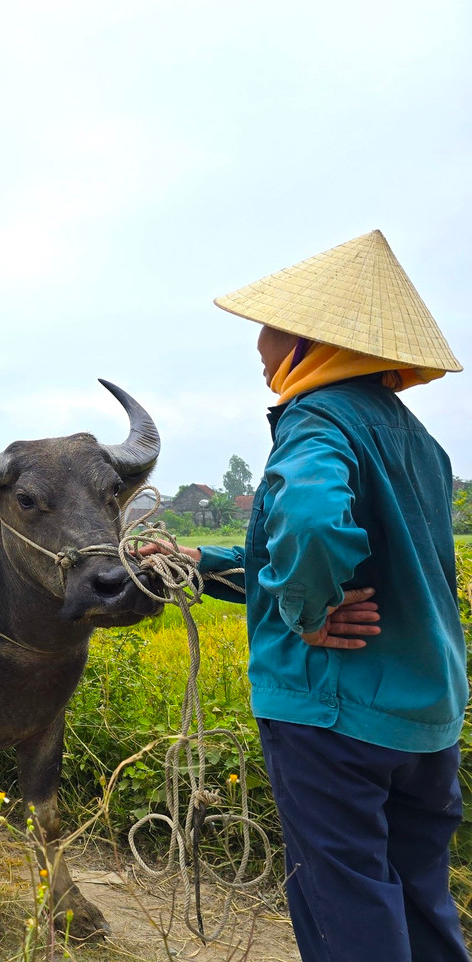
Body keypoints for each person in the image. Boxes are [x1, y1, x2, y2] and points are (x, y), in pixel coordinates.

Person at [166, 230, 467, 961]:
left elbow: (306, 521)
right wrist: (196, 561)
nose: (259, 347)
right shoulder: (415, 439)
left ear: (310, 343)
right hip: (425, 714)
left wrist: (306, 614)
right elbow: (299, 549)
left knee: (346, 902)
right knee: (419, 897)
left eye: (269, 331)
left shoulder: (315, 420)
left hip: (336, 716)